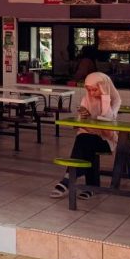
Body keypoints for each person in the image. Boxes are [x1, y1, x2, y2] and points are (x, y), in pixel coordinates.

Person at [50, 71, 120, 201]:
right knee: (85, 141)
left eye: (95, 90)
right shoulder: (86, 99)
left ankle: (68, 178)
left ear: (104, 87)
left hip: (106, 141)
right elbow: (79, 127)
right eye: (89, 90)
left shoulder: (113, 101)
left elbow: (108, 126)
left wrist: (105, 97)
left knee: (84, 140)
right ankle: (91, 187)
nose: (92, 93)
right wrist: (83, 118)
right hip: (88, 138)